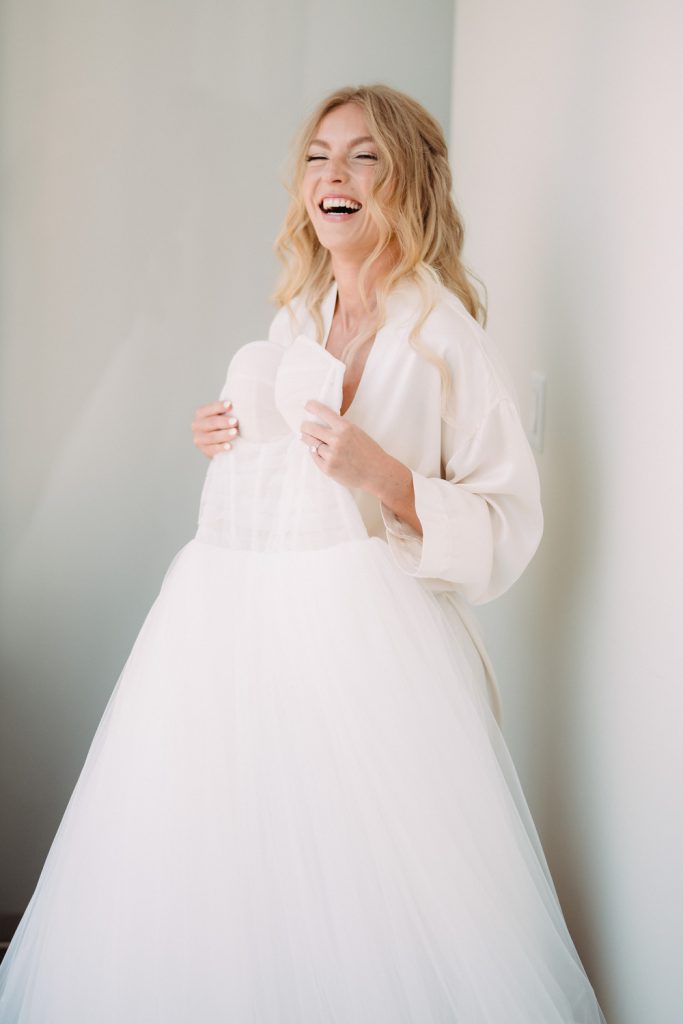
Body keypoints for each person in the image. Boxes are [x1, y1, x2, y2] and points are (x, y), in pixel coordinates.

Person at [0, 84, 607, 1022]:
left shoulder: (445, 339)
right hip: (249, 651)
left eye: (363, 156)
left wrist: (388, 477)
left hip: (380, 669)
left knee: (374, 897)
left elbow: (507, 522)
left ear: (405, 180)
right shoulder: (292, 322)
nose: (334, 175)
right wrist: (228, 435)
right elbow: (279, 476)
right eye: (320, 157)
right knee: (245, 871)